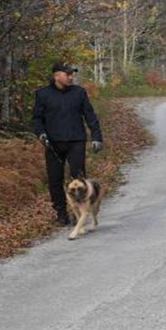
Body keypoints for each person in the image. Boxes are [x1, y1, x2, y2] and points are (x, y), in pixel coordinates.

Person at [32, 62, 103, 225]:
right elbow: (37, 119)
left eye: (72, 74)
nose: (71, 77)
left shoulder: (79, 93)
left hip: (76, 140)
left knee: (78, 178)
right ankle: (61, 212)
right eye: (67, 74)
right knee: (55, 179)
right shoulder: (43, 94)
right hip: (53, 143)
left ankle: (79, 211)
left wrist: (97, 137)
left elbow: (90, 116)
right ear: (57, 76)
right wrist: (41, 133)